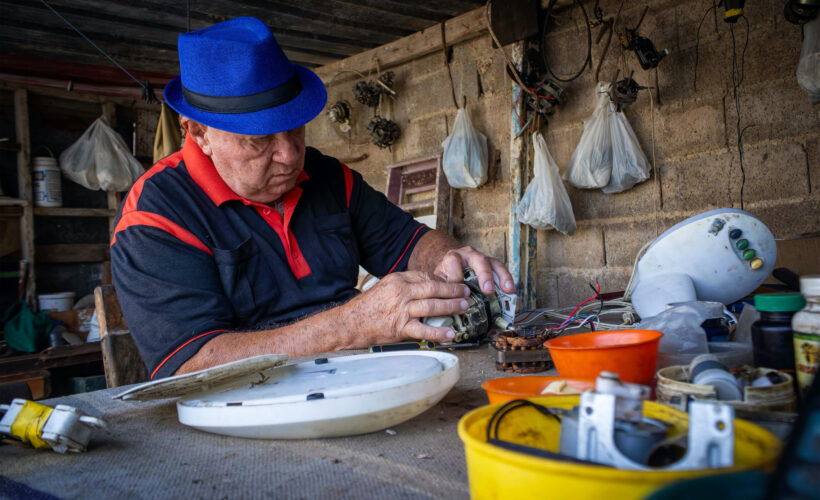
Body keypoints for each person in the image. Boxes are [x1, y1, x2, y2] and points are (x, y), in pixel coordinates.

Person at [110, 17, 514, 380]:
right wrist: (352, 324)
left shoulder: (326, 176)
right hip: (247, 409)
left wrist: (447, 256)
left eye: (295, 129)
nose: (288, 154)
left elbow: (408, 243)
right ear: (199, 134)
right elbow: (190, 365)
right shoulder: (156, 215)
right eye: (260, 140)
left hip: (354, 382)